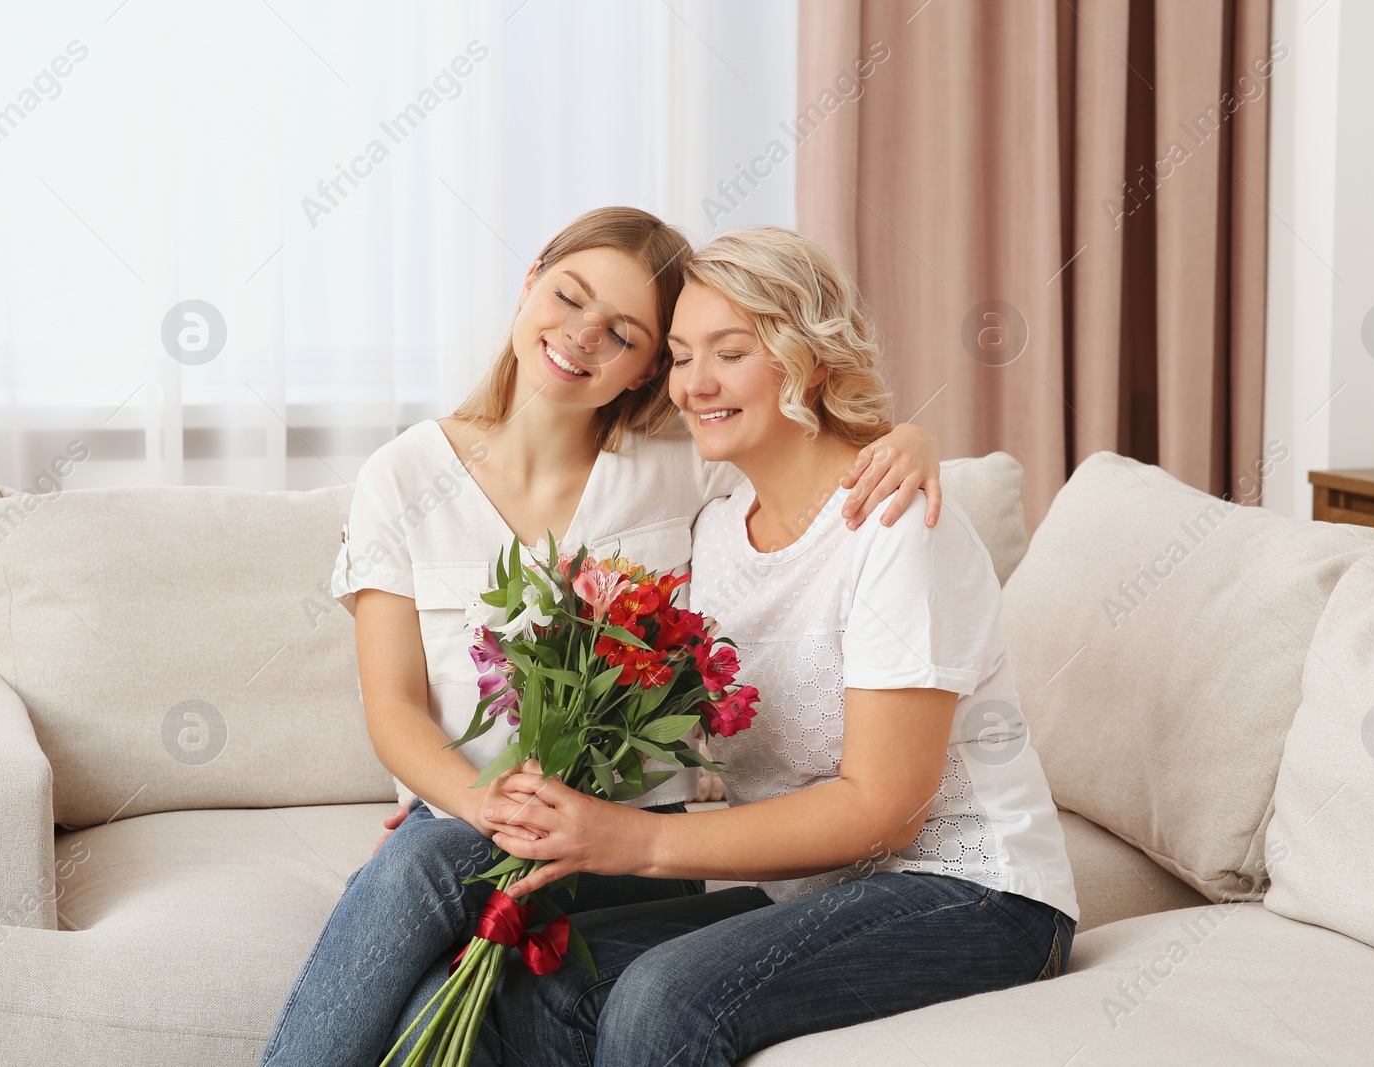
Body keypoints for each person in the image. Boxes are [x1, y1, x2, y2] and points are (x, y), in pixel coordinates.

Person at [256, 208, 943, 1067]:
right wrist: (479, 805)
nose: (580, 338)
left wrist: (908, 439)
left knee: (423, 867)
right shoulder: (403, 476)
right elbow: (392, 705)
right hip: (467, 832)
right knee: (430, 987)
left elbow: (803, 438)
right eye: (568, 296)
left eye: (620, 333)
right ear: (530, 278)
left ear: (647, 368)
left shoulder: (679, 461)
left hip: (624, 845)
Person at [415, 226, 1079, 1067]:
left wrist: (637, 842)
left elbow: (886, 807)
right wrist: (463, 784)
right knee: (534, 977)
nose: (695, 385)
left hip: (976, 895)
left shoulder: (895, 524)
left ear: (811, 361)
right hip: (807, 894)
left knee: (664, 1001)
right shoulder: (717, 528)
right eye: (682, 356)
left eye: (728, 353)